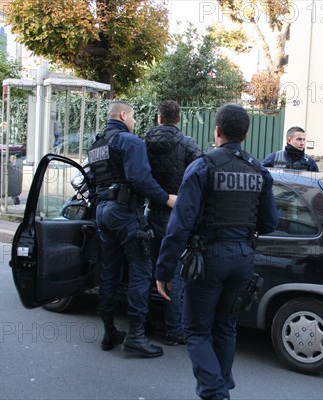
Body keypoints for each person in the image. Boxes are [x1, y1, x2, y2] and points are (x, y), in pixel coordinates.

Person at [155, 104, 278, 400]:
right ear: (246, 134)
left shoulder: (203, 166)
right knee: (226, 326)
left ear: (218, 131)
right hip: (243, 260)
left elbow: (180, 223)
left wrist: (163, 269)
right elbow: (270, 222)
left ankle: (215, 393)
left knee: (196, 331)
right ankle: (222, 387)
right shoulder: (258, 170)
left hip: (208, 259)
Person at [88, 100, 176, 358]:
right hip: (126, 214)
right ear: (124, 115)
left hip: (103, 213)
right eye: (134, 117)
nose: (135, 122)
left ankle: (109, 332)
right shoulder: (130, 141)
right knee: (141, 271)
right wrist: (165, 198)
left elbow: (91, 179)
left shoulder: (96, 145)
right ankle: (136, 336)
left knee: (109, 272)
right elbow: (140, 178)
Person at [145, 100, 202, 346]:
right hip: (178, 216)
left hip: (152, 211)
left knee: (149, 270)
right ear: (179, 118)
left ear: (159, 118)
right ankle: (175, 330)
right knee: (174, 275)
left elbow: (139, 175)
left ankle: (143, 323)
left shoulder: (143, 142)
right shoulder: (188, 145)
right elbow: (201, 177)